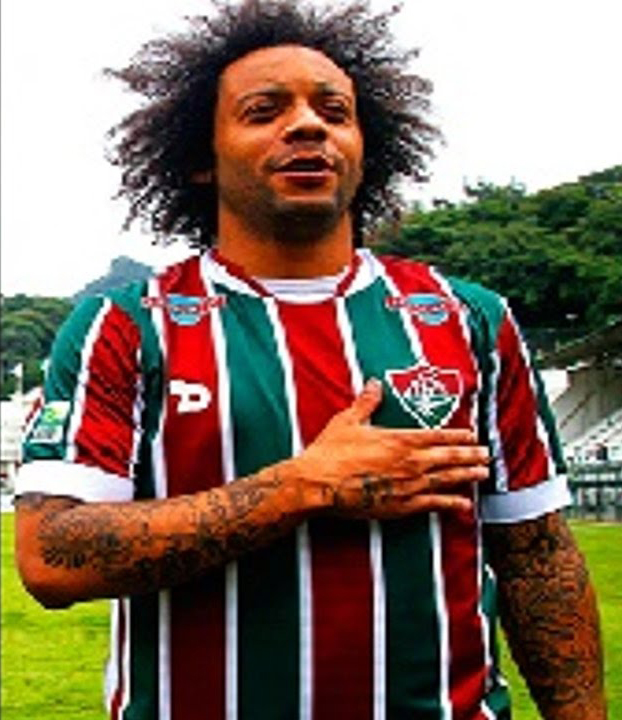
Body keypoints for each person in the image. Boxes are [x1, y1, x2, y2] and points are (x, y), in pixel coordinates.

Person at [15, 1, 606, 719]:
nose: (307, 126)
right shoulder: (126, 325)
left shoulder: (469, 319)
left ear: (365, 146)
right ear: (200, 158)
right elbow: (52, 555)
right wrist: (300, 487)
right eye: (264, 111)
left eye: (334, 111)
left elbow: (537, 556)